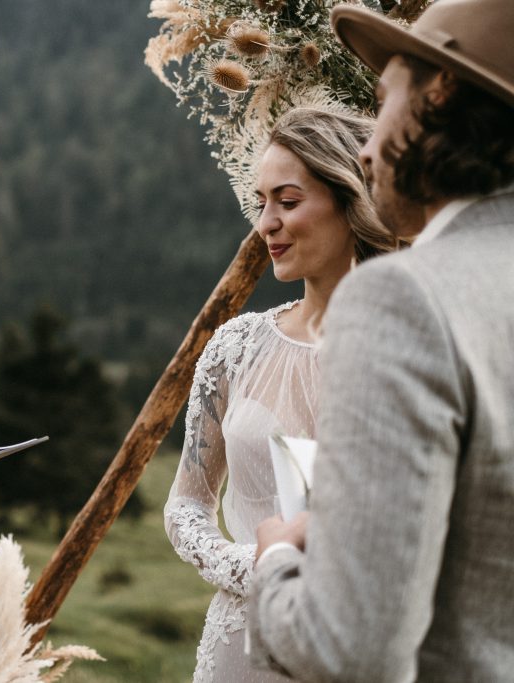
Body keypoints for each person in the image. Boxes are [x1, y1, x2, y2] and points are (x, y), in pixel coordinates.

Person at [247, 1, 514, 680]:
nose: (365, 147)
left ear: (439, 92)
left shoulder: (405, 297)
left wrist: (276, 559)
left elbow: (351, 649)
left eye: (384, 97)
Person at [164, 107, 396, 683]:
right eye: (262, 201)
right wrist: (255, 565)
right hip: (242, 646)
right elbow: (186, 505)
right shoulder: (235, 348)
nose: (266, 222)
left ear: (351, 199)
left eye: (288, 202)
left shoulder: (409, 352)